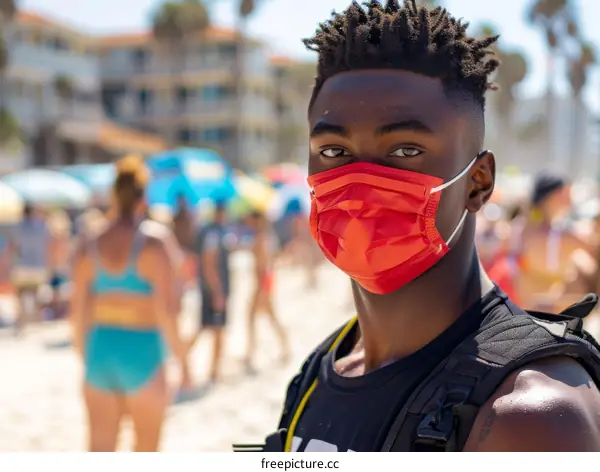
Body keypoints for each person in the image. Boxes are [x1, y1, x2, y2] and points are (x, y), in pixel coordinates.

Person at [247, 0, 600, 452]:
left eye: (406, 151)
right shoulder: (318, 371)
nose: (360, 183)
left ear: (479, 182)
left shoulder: (532, 417)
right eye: (334, 152)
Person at [70, 155, 186, 452]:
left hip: (100, 351)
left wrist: (87, 357)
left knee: (99, 451)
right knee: (146, 452)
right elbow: (168, 310)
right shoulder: (155, 242)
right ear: (144, 196)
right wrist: (183, 362)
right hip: (143, 352)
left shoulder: (90, 242)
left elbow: (77, 313)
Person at [509, 170, 595, 311]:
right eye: (567, 191)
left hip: (528, 310)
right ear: (555, 195)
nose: (571, 196)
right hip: (547, 312)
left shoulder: (520, 228)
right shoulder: (564, 236)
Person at [189, 200, 236, 384]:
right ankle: (213, 371)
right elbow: (209, 265)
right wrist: (217, 292)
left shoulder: (215, 232)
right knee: (215, 330)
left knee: (208, 329)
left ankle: (212, 370)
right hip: (214, 290)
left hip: (213, 289)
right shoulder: (214, 234)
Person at [244, 211, 290, 371]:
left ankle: (252, 352)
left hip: (261, 284)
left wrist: (262, 289)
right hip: (262, 283)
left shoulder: (261, 237)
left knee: (256, 318)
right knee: (266, 318)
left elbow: (263, 266)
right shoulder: (263, 236)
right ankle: (282, 347)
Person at [10, 202, 52, 333]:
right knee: (37, 294)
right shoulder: (42, 227)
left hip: (22, 264)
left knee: (19, 293)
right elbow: (48, 245)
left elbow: (14, 246)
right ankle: (38, 321)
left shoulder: (18, 227)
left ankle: (21, 321)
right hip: (39, 265)